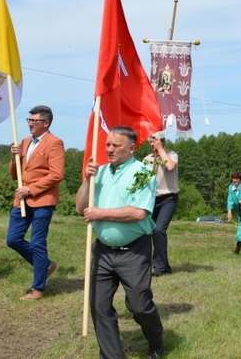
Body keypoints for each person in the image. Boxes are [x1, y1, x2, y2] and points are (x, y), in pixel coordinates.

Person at [75, 126, 164, 358]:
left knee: (138, 305)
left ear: (132, 147)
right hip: (103, 252)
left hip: (134, 251)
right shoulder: (100, 172)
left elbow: (138, 213)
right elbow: (80, 208)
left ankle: (156, 340)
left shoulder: (143, 172)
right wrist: (87, 180)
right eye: (107, 145)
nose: (110, 150)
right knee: (99, 306)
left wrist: (100, 214)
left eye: (116, 145)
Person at [6, 105, 65, 300]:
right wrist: (14, 158)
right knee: (13, 239)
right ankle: (46, 265)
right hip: (21, 200)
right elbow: (16, 175)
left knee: (38, 242)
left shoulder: (55, 142)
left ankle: (38, 288)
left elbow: (57, 174)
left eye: (34, 120)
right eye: (29, 120)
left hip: (42, 200)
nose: (30, 124)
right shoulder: (23, 142)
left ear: (45, 123)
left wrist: (31, 189)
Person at [143, 131, 179, 277]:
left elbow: (170, 167)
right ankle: (163, 265)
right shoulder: (147, 159)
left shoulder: (172, 155)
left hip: (169, 198)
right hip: (152, 199)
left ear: (163, 141)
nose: (152, 145)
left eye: (155, 141)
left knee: (159, 230)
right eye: (151, 142)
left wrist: (160, 150)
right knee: (149, 232)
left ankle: (159, 267)